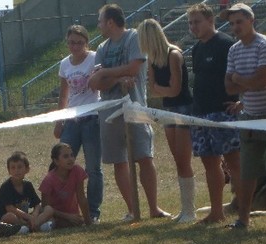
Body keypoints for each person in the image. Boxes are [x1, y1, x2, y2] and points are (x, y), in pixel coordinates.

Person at [88, 4, 170, 221]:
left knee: (144, 156)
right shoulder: (102, 48)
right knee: (119, 161)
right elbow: (96, 83)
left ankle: (154, 208)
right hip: (109, 112)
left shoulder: (134, 37)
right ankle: (133, 210)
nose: (98, 25)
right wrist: (116, 79)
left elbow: (135, 67)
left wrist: (106, 72)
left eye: (100, 21)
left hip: (135, 109)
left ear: (110, 22)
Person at [187, 2, 241, 224]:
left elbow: (236, 76)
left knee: (233, 162)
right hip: (200, 114)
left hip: (223, 113)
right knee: (210, 163)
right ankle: (216, 212)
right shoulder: (196, 49)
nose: (193, 27)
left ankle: (244, 209)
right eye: (190, 23)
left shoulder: (226, 44)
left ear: (211, 21)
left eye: (197, 22)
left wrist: (239, 101)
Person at [138, 18, 196, 223]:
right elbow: (153, 89)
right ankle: (185, 209)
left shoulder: (174, 54)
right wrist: (164, 89)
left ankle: (189, 210)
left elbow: (175, 89)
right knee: (177, 159)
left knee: (183, 160)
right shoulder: (153, 59)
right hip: (168, 109)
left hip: (183, 108)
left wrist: (162, 89)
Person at [223, 2, 266, 229]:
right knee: (248, 172)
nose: (235, 27)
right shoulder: (234, 50)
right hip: (249, 118)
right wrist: (244, 83)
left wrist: (240, 80)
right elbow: (228, 87)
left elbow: (263, 81)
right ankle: (243, 219)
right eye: (231, 24)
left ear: (252, 20)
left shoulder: (265, 45)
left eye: (239, 22)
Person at [55, 24, 104, 224]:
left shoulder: (94, 58)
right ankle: (60, 209)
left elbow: (101, 83)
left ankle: (92, 212)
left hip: (92, 119)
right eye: (72, 42)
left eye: (80, 43)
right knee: (60, 164)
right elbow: (64, 94)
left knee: (93, 168)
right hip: (72, 121)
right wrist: (59, 120)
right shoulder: (64, 64)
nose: (75, 46)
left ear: (87, 43)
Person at [0, 151, 56, 234]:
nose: (16, 170)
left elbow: (37, 204)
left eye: (19, 167)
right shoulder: (6, 186)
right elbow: (10, 209)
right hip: (8, 219)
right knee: (10, 216)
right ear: (9, 171)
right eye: (13, 168)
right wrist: (29, 217)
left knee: (49, 209)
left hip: (25, 218)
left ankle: (33, 226)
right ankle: (28, 227)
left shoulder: (28, 185)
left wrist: (34, 215)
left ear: (27, 169)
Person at [39, 143, 93, 228]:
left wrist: (88, 223)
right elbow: (45, 208)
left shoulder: (77, 170)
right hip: (56, 218)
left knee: (76, 223)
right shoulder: (49, 180)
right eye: (65, 156)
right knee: (54, 224)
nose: (71, 159)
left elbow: (82, 198)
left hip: (73, 216)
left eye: (72, 155)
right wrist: (67, 216)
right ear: (56, 161)